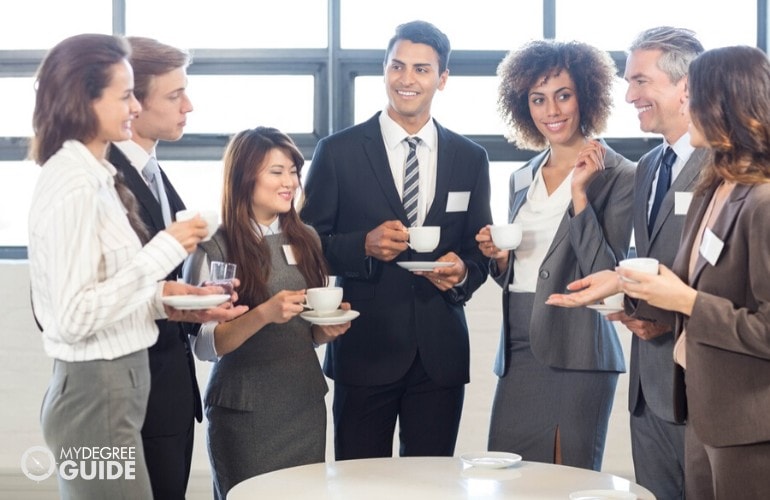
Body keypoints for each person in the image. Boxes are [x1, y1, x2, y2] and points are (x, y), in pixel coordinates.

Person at [549, 44, 770, 499]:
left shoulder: (756, 196)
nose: (629, 95)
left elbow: (705, 294)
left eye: (640, 80)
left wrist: (679, 303)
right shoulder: (704, 182)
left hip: (734, 404)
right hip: (674, 390)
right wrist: (624, 289)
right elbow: (678, 271)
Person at [27, 34, 240, 499]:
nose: (132, 108)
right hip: (97, 392)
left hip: (121, 389)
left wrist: (170, 301)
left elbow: (106, 288)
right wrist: (166, 249)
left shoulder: (94, 177)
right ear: (86, 100)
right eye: (124, 96)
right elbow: (68, 315)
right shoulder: (74, 184)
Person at [301, 20, 492, 460]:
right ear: (384, 69)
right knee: (358, 483)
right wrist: (361, 246)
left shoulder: (470, 158)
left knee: (432, 484)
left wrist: (463, 272)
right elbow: (307, 246)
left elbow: (477, 252)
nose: (407, 79)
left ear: (442, 79)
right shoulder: (338, 151)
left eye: (422, 70)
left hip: (439, 354)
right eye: (397, 66)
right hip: (364, 349)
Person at [474, 39, 634, 470]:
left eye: (563, 95)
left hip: (576, 347)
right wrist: (499, 258)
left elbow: (605, 271)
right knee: (510, 478)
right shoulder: (522, 176)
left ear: (586, 94)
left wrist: (580, 193)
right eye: (538, 99)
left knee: (565, 482)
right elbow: (521, 267)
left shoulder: (619, 174)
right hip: (518, 347)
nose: (552, 111)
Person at [184, 127, 351, 500]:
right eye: (277, 172)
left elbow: (306, 332)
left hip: (303, 402)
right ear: (245, 177)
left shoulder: (306, 237)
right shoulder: (214, 245)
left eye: (293, 171)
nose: (289, 182)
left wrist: (326, 329)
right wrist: (263, 313)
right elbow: (207, 346)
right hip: (245, 410)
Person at [107, 36, 203, 499]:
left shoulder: (155, 172)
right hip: (127, 398)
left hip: (168, 393)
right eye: (174, 94)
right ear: (132, 103)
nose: (189, 105)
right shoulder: (102, 179)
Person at [618, 27, 705, 499]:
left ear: (685, 86)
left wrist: (669, 317)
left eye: (640, 81)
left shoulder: (730, 165)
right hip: (646, 389)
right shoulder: (649, 166)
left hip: (701, 386)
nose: (629, 95)